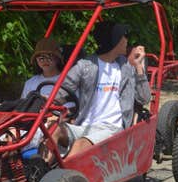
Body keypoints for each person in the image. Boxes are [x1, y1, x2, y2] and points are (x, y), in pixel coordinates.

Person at [44, 21, 151, 161]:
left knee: (81, 144)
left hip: (112, 129)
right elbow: (62, 91)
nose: (127, 40)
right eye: (123, 36)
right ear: (114, 40)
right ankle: (38, 172)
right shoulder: (85, 66)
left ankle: (62, 178)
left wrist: (138, 67)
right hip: (83, 126)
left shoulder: (126, 67)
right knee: (53, 130)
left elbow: (144, 98)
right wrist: (45, 101)